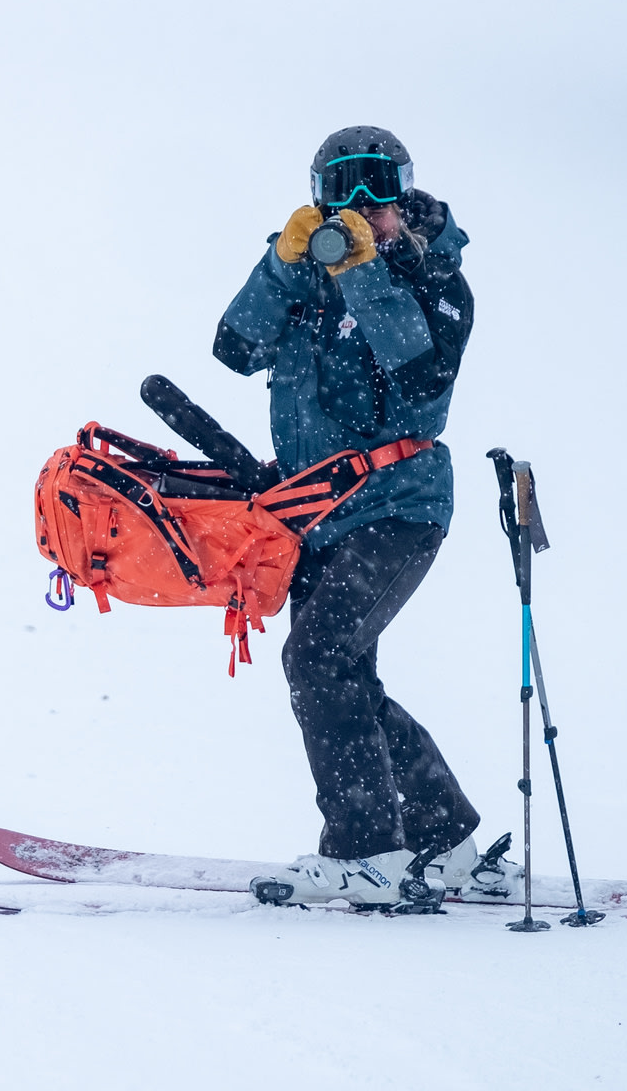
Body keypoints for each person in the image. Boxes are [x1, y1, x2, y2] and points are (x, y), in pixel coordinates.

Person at [213, 127, 508, 908]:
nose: (362, 205)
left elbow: (416, 378)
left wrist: (363, 273)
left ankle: (367, 852)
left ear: (405, 193)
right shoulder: (305, 282)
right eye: (339, 188)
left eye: (377, 184)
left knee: (318, 660)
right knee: (341, 672)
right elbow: (235, 349)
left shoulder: (439, 282)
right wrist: (282, 267)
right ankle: (443, 844)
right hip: (316, 513)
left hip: (402, 505)